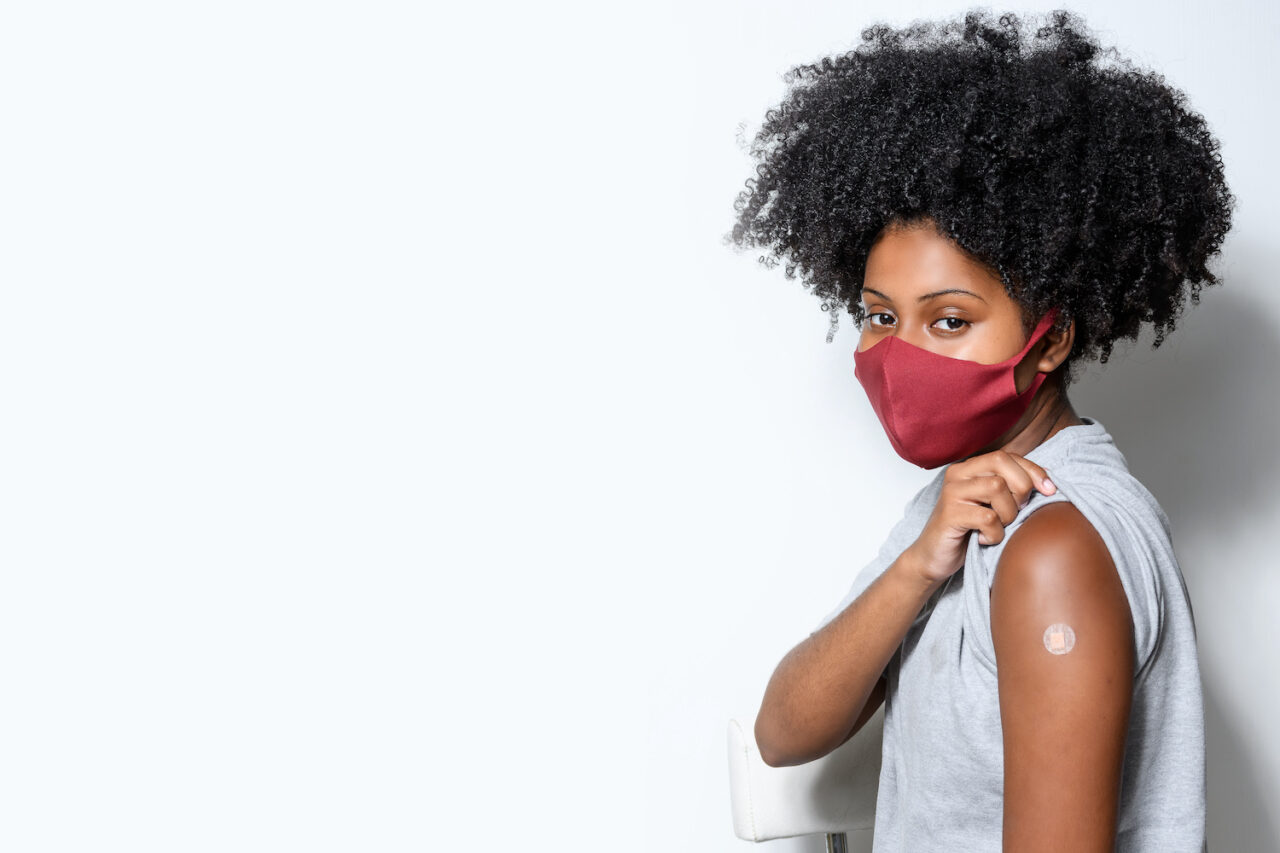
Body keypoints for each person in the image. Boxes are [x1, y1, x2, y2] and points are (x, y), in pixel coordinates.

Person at [724, 9, 1233, 853]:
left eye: (951, 320)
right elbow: (784, 736)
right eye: (880, 316)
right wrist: (918, 563)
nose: (901, 354)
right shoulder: (955, 504)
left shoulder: (1053, 547)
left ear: (1054, 339)